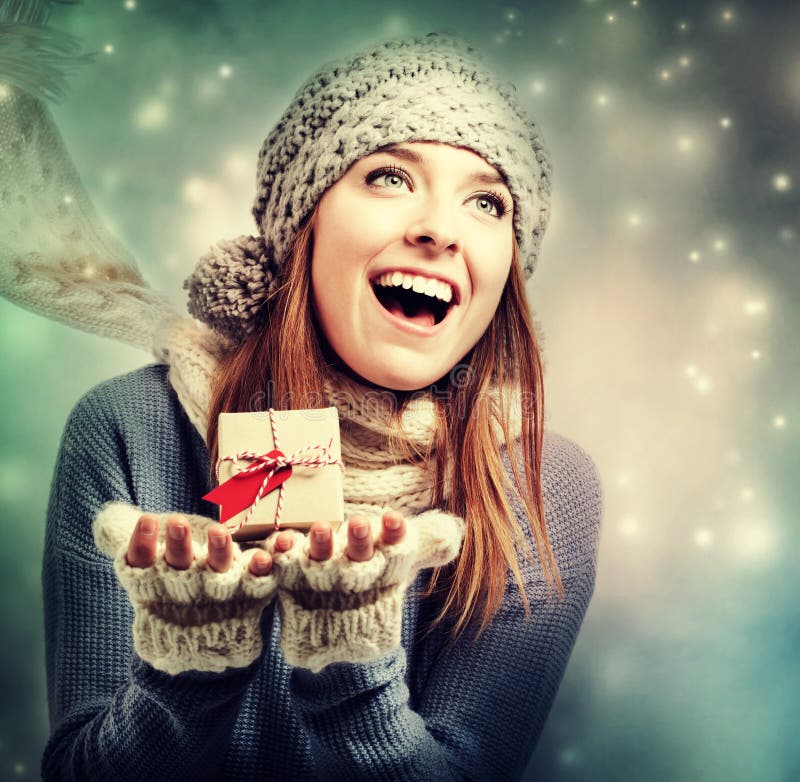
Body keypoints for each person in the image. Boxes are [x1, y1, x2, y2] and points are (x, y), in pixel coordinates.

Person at [1, 14, 603, 780]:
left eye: (487, 203)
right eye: (389, 175)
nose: (440, 229)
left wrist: (351, 663)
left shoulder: (544, 483)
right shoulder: (126, 428)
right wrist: (188, 671)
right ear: (302, 224)